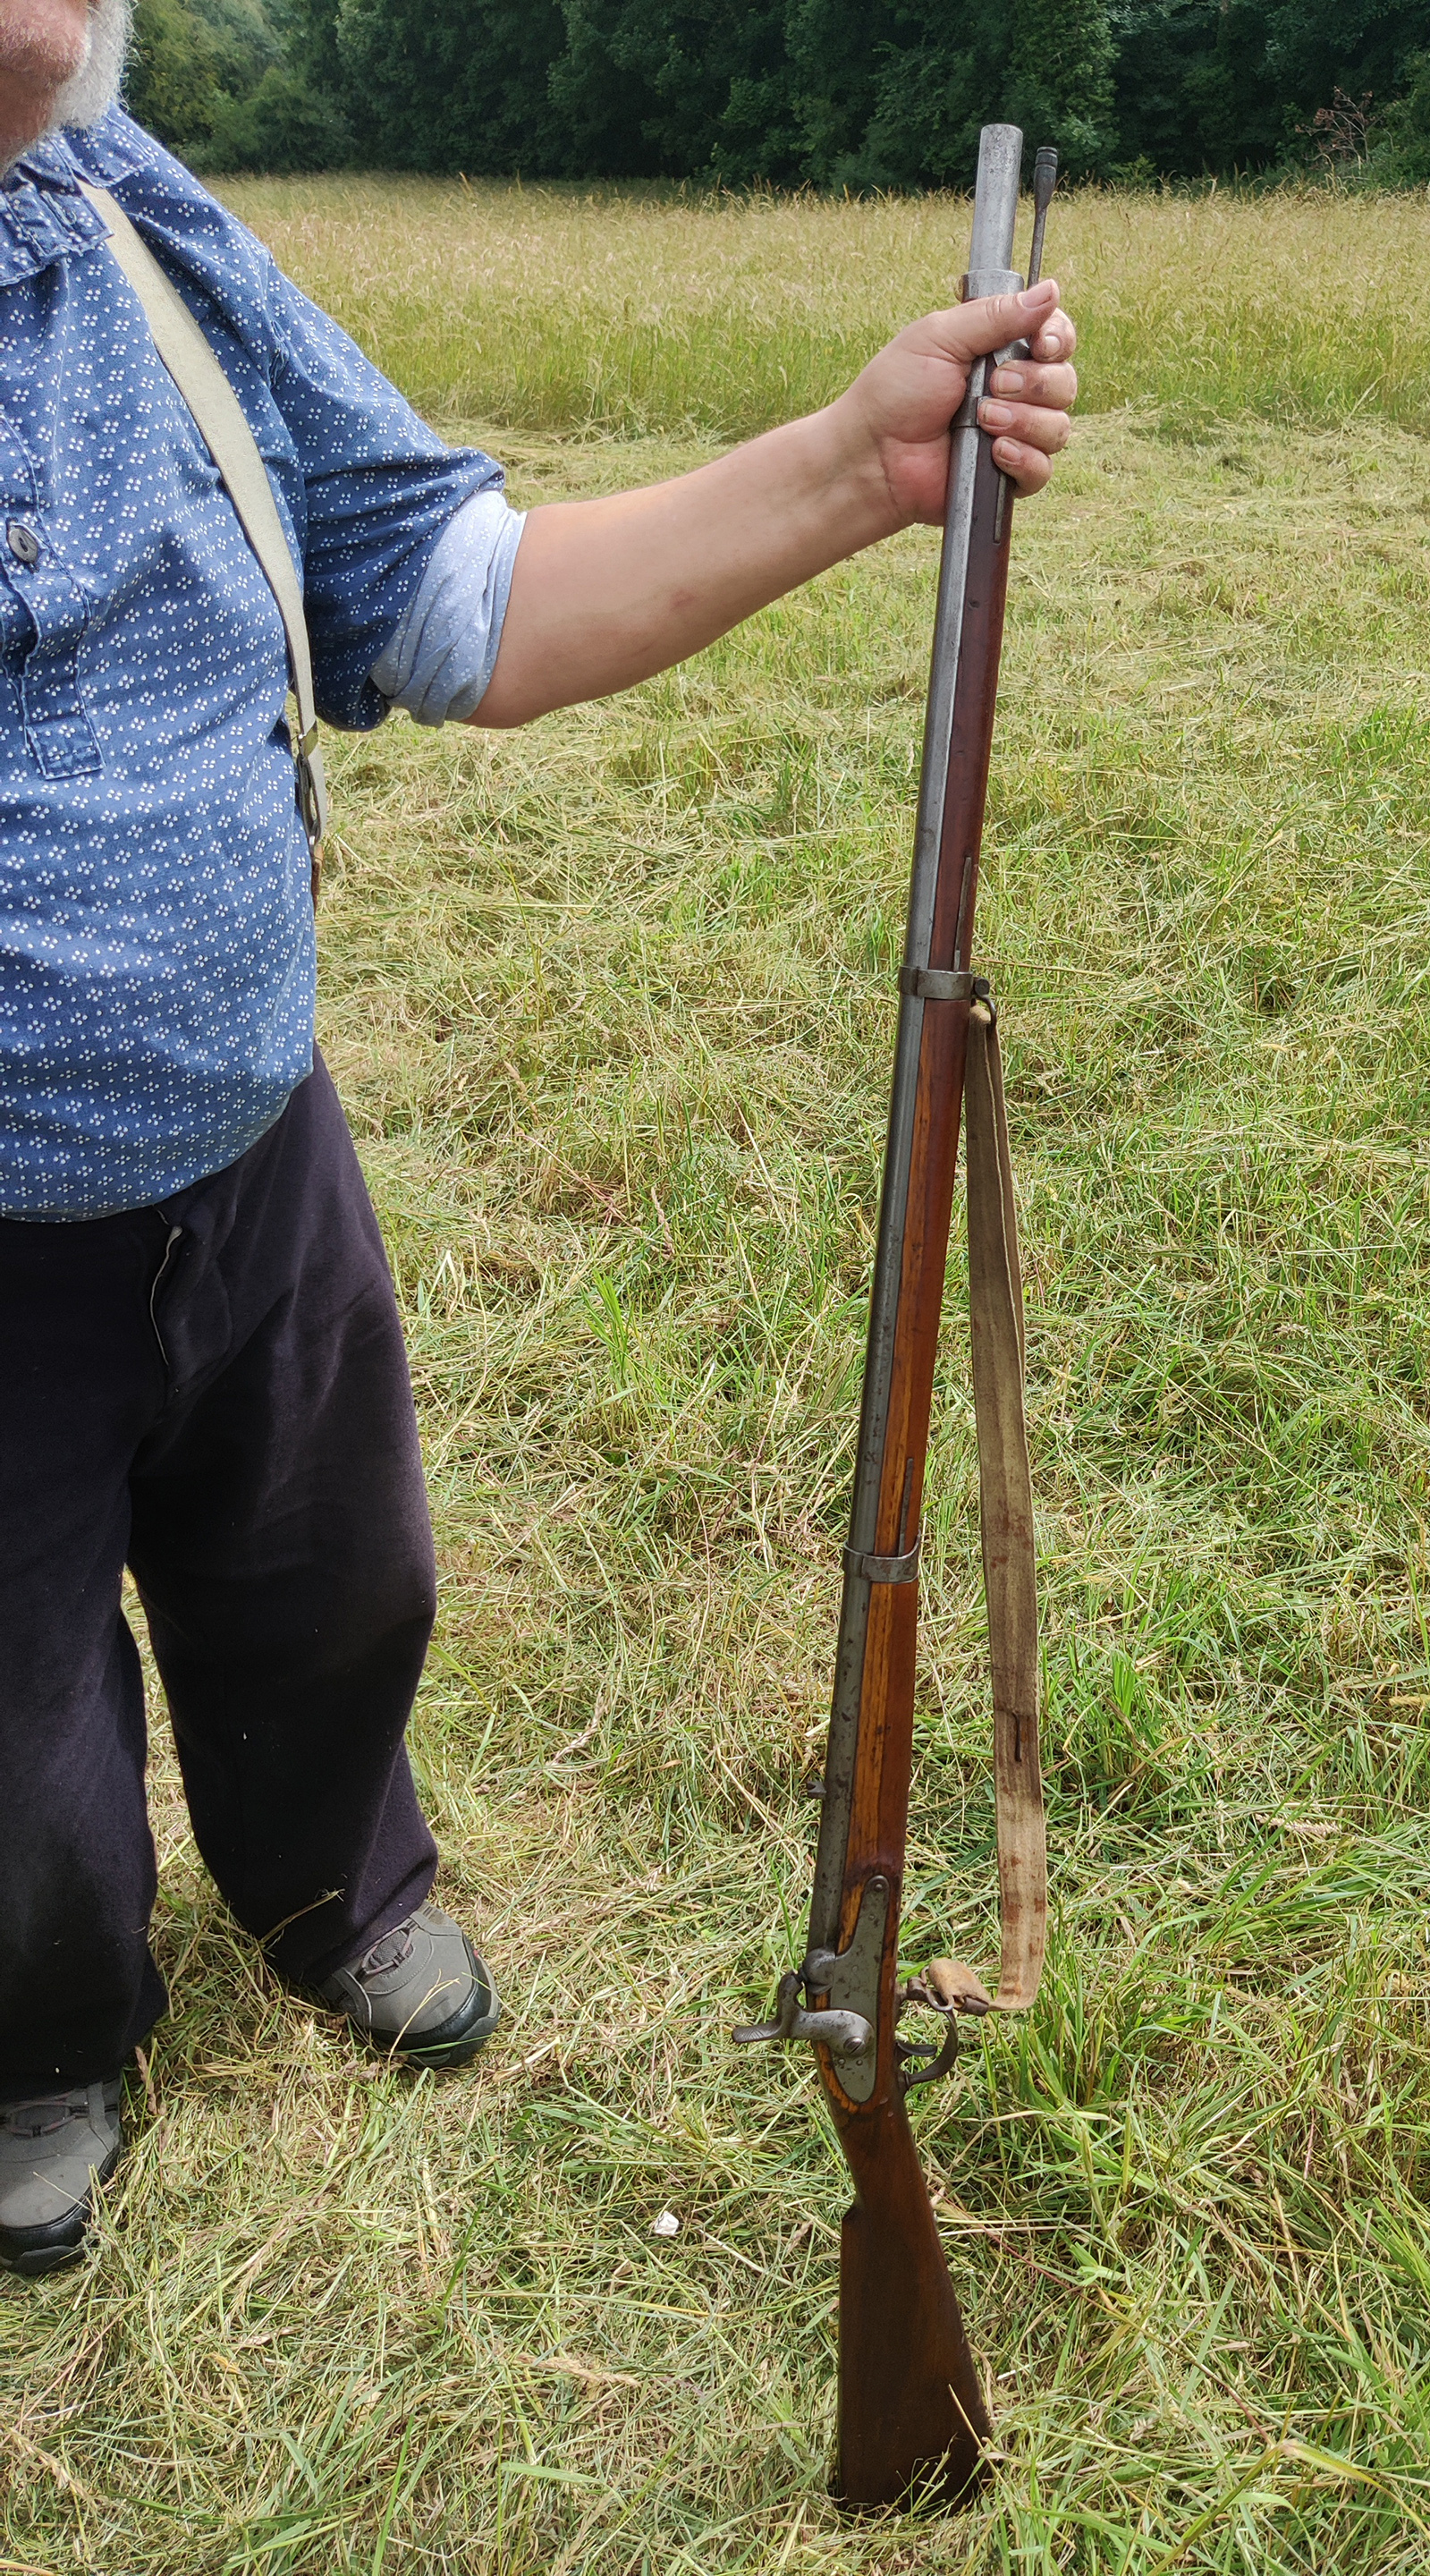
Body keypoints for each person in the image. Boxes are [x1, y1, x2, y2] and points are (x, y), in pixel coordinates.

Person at [0, 0, 1078, 2276]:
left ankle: (335, 1888)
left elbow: (458, 597)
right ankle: (34, 2032)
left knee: (331, 1575)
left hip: (249, 1138)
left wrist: (860, 462)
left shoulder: (140, 223)